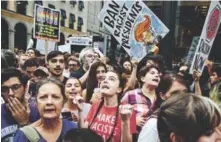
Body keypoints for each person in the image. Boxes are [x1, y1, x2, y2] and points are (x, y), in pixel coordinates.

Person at [77, 71, 136, 142]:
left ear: (119, 89)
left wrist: (125, 121)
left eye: (111, 79)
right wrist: (80, 111)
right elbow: (84, 131)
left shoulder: (127, 111)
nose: (105, 81)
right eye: (104, 78)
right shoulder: (95, 104)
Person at [13, 78, 78, 142]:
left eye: (55, 97)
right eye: (43, 97)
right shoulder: (24, 135)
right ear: (36, 102)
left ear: (63, 102)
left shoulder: (73, 128)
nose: (49, 102)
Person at [138, 73, 188, 142]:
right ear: (162, 95)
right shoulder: (154, 124)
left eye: (185, 92)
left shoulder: (188, 115)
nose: (182, 97)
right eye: (175, 93)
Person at [1, 68, 40, 142]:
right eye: (4, 89)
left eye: (15, 87)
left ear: (25, 88)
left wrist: (25, 124)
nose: (10, 93)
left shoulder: (37, 111)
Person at [121, 65, 161, 133]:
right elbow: (118, 114)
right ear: (143, 78)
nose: (157, 76)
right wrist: (133, 121)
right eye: (152, 73)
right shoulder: (131, 94)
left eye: (158, 75)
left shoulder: (161, 99)